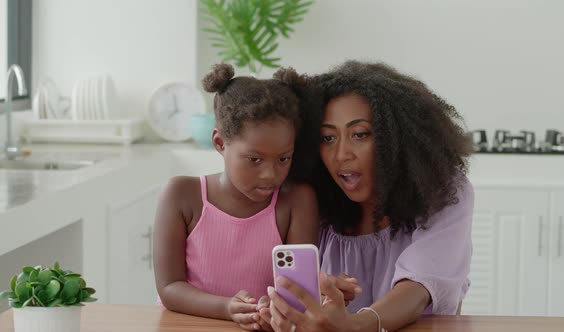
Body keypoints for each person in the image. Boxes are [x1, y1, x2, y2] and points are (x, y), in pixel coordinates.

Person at [265, 61, 474, 332]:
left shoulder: (443, 191)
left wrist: (357, 325)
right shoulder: (309, 198)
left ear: (397, 138)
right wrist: (279, 308)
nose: (341, 154)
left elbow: (419, 287)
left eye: (360, 134)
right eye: (328, 138)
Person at [153, 63, 320, 331]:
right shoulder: (181, 196)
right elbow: (169, 288)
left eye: (283, 158)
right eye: (254, 159)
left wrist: (271, 310)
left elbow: (296, 291)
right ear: (220, 143)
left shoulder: (297, 201)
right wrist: (226, 308)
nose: (270, 174)